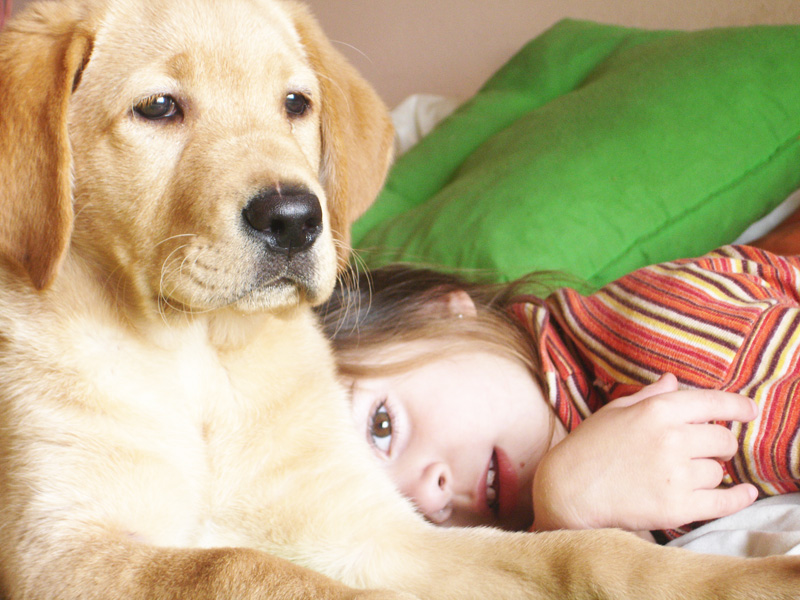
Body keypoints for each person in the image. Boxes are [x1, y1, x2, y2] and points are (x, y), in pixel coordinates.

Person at [316, 245, 800, 543]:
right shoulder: (525, 541)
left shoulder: (660, 341)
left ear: (442, 312)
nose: (428, 497)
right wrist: (562, 523)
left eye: (382, 425)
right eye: (388, 509)